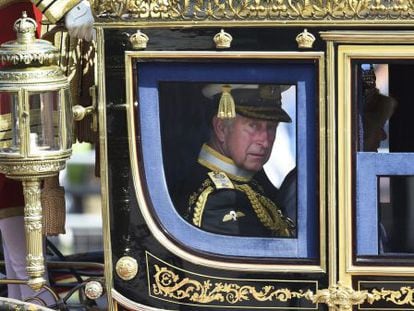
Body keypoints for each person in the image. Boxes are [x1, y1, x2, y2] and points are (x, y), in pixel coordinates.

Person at [0, 0, 94, 304]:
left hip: (29, 29)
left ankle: (30, 296)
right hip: (18, 32)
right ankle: (36, 297)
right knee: (15, 168)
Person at [177, 84, 295, 237]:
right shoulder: (217, 200)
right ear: (221, 128)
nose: (265, 141)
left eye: (271, 127)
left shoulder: (248, 179)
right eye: (253, 126)